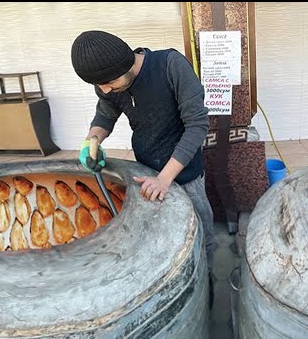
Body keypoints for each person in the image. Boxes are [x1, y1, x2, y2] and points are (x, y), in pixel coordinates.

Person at [70, 30, 217, 305]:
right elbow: (105, 114)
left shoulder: (170, 66)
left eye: (108, 83)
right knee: (162, 238)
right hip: (146, 172)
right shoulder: (108, 82)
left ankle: (207, 285)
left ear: (125, 65)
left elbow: (197, 126)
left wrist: (165, 179)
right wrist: (92, 140)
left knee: (201, 233)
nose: (105, 90)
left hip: (183, 173)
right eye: (99, 86)